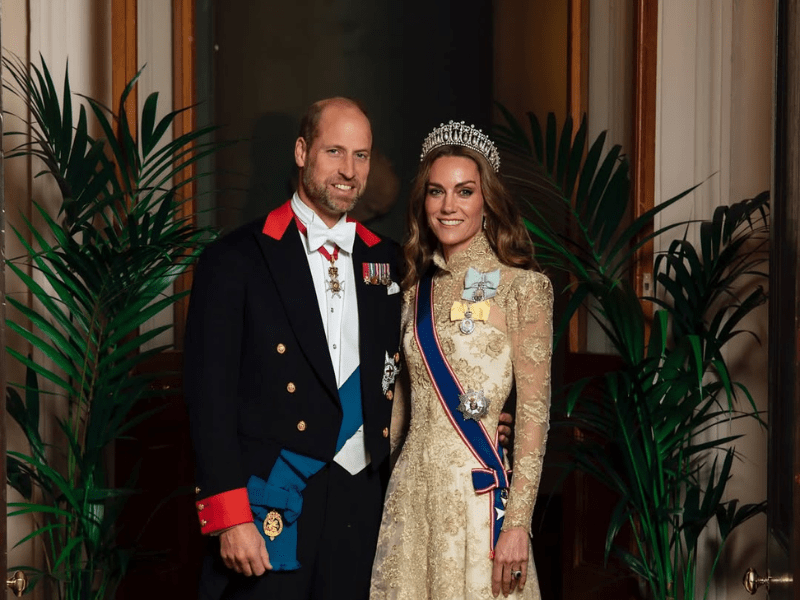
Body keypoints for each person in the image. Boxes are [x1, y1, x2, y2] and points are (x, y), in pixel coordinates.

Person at [183, 97, 403, 600]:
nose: (349, 170)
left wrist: (486, 417)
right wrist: (229, 516)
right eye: (334, 151)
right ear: (302, 152)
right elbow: (209, 399)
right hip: (273, 496)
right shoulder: (235, 259)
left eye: (361, 155)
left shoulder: (389, 261)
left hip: (359, 503)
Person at [370, 122, 553, 599]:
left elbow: (534, 415)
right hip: (411, 499)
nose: (448, 205)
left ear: (487, 201)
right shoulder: (414, 289)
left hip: (478, 501)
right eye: (437, 191)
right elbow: (400, 411)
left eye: (464, 191)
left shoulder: (522, 288)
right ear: (423, 201)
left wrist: (518, 524)